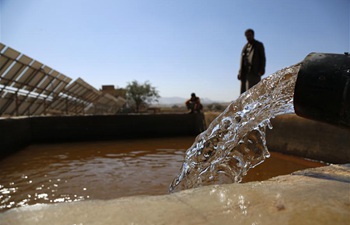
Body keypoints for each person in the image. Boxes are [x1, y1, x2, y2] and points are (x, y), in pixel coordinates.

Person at [238, 29, 266, 94]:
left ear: (253, 35)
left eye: (249, 35)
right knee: (244, 94)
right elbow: (242, 61)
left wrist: (261, 70)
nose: (248, 37)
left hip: (255, 72)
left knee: (253, 93)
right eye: (247, 35)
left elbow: (263, 58)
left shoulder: (259, 45)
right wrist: (240, 72)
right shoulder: (245, 47)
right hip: (245, 74)